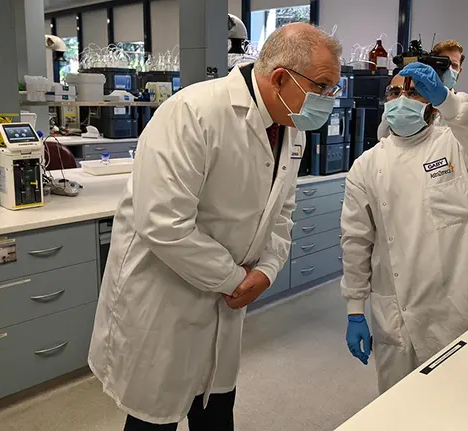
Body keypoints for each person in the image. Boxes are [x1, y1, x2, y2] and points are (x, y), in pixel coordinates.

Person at [88, 23, 342, 430]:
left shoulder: (291, 128)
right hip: (166, 298)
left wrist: (267, 270)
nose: (328, 99)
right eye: (323, 87)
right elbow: (163, 223)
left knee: (217, 409)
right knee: (154, 419)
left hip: (226, 301)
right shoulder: (193, 112)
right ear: (280, 78)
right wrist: (235, 280)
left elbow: (281, 211)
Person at [341, 62, 468, 393]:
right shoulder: (367, 165)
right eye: (394, 92)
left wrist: (449, 100)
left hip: (459, 305)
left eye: (414, 92)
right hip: (400, 310)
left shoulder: (456, 145)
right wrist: (354, 309)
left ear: (432, 104)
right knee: (401, 402)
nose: (402, 99)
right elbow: (356, 240)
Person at [377, 40, 466, 140]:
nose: (449, 69)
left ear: (460, 70)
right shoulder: (405, 102)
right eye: (444, 64)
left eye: (454, 65)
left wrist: (446, 101)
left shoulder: (463, 107)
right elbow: (385, 138)